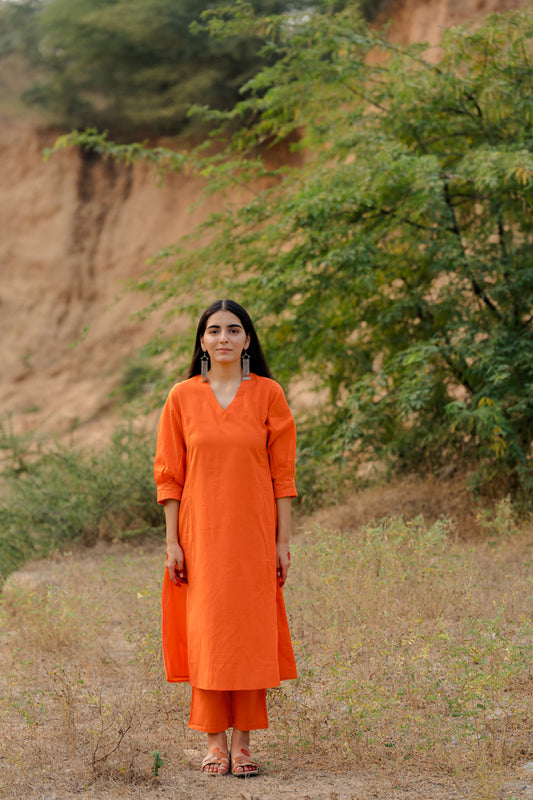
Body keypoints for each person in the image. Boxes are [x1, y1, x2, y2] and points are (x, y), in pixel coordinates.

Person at [154, 299, 297, 777]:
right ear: (201, 340)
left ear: (248, 339)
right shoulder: (182, 397)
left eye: (234, 330)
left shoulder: (269, 395)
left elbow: (283, 476)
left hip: (253, 535)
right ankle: (214, 743)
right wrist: (172, 542)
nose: (223, 339)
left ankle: (244, 744)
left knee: (248, 633)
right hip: (200, 534)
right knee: (210, 632)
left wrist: (281, 541)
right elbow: (169, 476)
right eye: (214, 330)